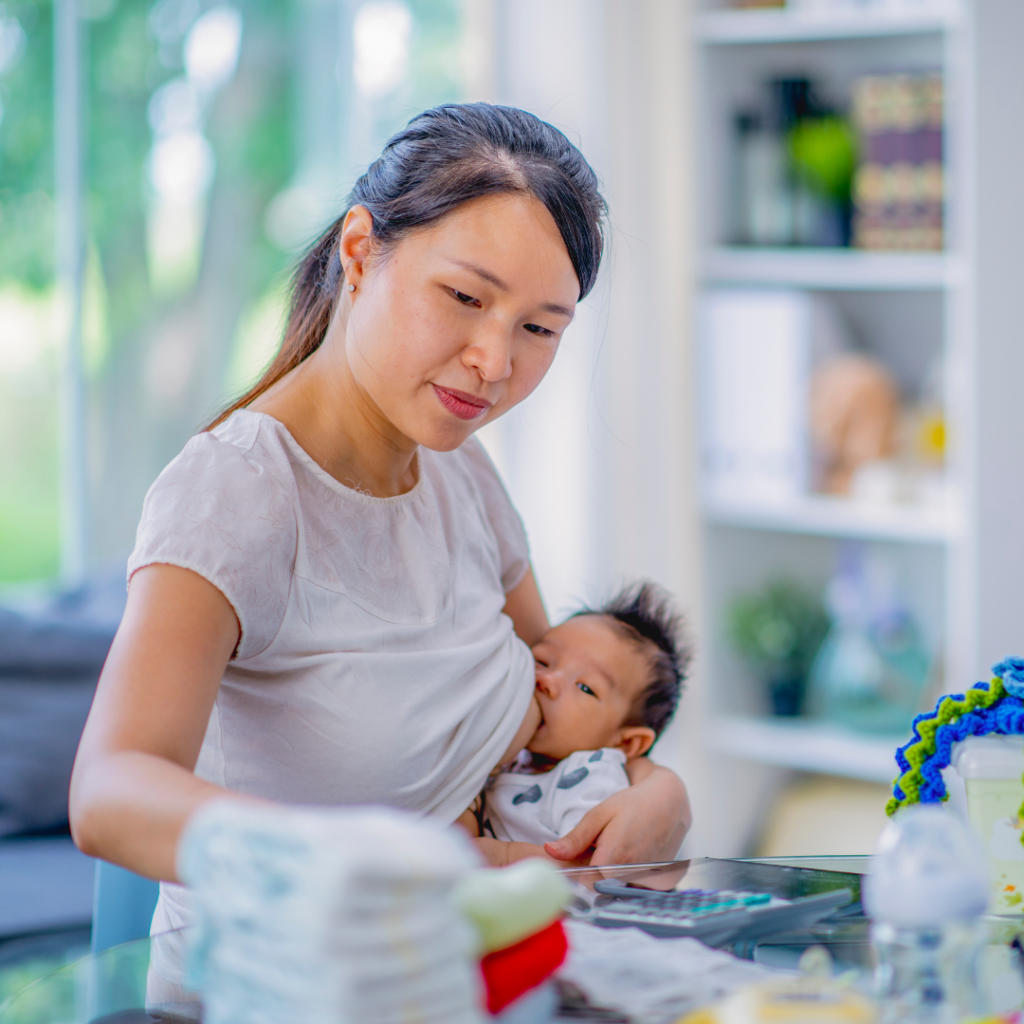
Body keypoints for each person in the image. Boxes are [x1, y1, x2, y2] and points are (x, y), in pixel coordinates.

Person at [69, 103, 692, 966]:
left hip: (474, 968)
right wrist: (351, 856)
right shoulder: (237, 493)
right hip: (293, 981)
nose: (494, 360)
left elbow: (558, 707)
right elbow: (109, 794)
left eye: (539, 328)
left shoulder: (462, 473)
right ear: (359, 252)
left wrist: (659, 793)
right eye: (466, 297)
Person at [457, 582, 691, 856]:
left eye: (585, 688)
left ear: (626, 742)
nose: (546, 680)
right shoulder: (513, 756)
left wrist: (500, 856)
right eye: (542, 661)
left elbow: (586, 872)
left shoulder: (592, 777)